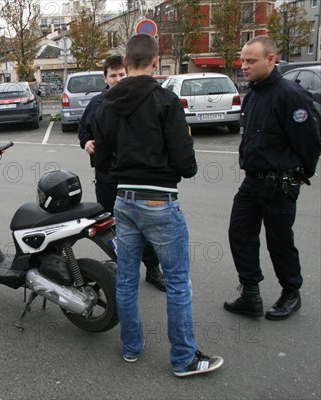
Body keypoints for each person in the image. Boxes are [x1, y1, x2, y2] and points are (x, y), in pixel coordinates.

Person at [93, 34, 223, 377]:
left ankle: (131, 348)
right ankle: (183, 359)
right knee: (178, 282)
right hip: (159, 200)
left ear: (125, 62)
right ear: (155, 62)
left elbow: (102, 162)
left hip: (124, 199)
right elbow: (186, 164)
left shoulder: (106, 104)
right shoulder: (166, 101)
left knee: (125, 279)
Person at [224, 36, 320, 321]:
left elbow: (310, 142)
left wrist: (303, 173)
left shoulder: (291, 94)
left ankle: (291, 292)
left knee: (279, 241)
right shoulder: (253, 93)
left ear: (271, 60)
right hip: (253, 181)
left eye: (251, 61)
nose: (244, 66)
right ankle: (250, 293)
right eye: (242, 60)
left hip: (280, 183)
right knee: (240, 233)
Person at [78, 55, 165, 292]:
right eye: (113, 75)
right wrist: (86, 142)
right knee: (110, 226)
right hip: (106, 177)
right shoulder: (96, 104)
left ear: (127, 73)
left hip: (135, 177)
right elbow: (83, 130)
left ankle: (152, 268)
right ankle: (122, 268)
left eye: (121, 75)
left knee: (142, 224)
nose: (117, 79)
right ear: (105, 77)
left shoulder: (141, 101)